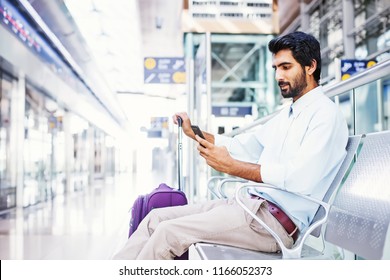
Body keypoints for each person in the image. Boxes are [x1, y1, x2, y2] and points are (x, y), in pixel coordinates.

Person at [113, 31, 348, 260]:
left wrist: (233, 167)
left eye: (286, 67)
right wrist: (194, 132)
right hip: (248, 207)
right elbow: (242, 145)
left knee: (168, 233)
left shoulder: (325, 115)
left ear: (310, 67)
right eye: (276, 68)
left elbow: (300, 178)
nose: (278, 76)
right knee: (156, 219)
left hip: (273, 225)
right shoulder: (288, 114)